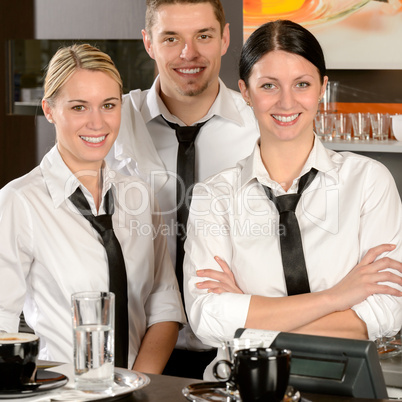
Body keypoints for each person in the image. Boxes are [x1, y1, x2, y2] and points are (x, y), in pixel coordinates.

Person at [183, 20, 402, 372]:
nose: (286, 102)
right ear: (246, 92)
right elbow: (207, 319)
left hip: (344, 383)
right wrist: (337, 297)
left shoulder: (368, 182)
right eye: (268, 85)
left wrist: (245, 326)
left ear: (321, 89)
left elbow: (384, 312)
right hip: (242, 386)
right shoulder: (215, 195)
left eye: (302, 84)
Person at [0, 44, 186, 373]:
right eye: (79, 107)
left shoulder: (138, 195)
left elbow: (164, 305)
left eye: (108, 105)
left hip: (139, 391)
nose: (97, 122)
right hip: (59, 393)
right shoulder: (20, 202)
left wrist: (136, 384)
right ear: (49, 110)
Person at [106, 0, 259, 378]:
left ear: (225, 38)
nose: (188, 54)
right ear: (148, 43)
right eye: (171, 38)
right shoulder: (110, 121)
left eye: (203, 36)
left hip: (237, 348)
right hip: (134, 349)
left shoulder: (262, 126)